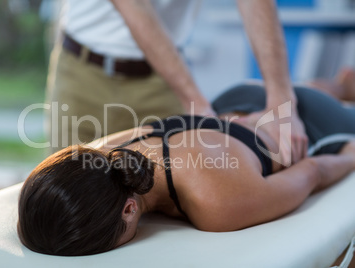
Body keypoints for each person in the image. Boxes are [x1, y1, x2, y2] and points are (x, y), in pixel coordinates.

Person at [18, 79, 355, 256]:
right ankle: (337, 84)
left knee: (328, 104)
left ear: (130, 208)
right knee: (314, 87)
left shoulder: (215, 202)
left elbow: (313, 171)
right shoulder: (99, 153)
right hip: (234, 99)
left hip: (305, 123)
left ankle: (338, 87)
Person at [46, 0, 308, 166]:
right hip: (82, 73)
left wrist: (281, 102)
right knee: (72, 193)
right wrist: (197, 104)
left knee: (172, 195)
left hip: (163, 82)